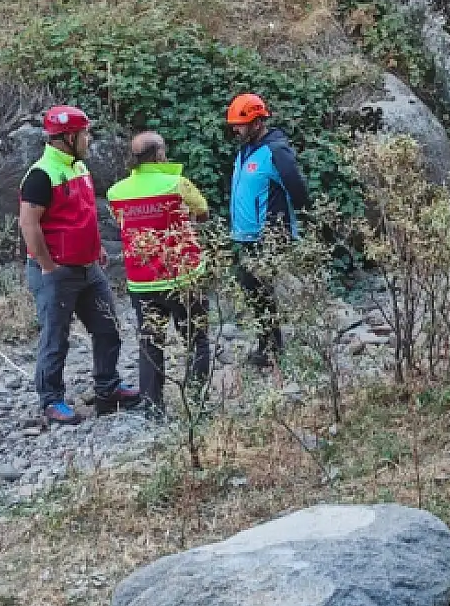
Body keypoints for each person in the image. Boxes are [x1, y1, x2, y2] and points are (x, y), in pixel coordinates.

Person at [18, 106, 138, 425]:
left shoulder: (79, 168)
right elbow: (29, 224)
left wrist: (96, 247)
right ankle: (51, 400)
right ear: (68, 137)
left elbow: (83, 214)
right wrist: (46, 265)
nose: (89, 138)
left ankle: (107, 388)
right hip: (56, 271)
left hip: (88, 267)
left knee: (108, 327)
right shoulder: (41, 174)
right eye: (85, 133)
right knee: (56, 337)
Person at [105, 132, 211, 419]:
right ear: (160, 154)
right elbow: (202, 212)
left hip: (142, 281)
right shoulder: (177, 184)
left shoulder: (116, 192)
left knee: (150, 342)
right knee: (196, 339)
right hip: (183, 277)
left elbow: (122, 224)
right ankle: (198, 402)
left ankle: (153, 406)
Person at [226, 93, 311, 366]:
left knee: (258, 289)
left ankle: (271, 350)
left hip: (269, 233)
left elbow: (296, 187)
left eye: (240, 124)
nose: (235, 130)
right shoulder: (246, 150)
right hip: (248, 234)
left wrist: (299, 220)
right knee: (254, 289)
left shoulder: (276, 150)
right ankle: (269, 346)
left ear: (257, 122)